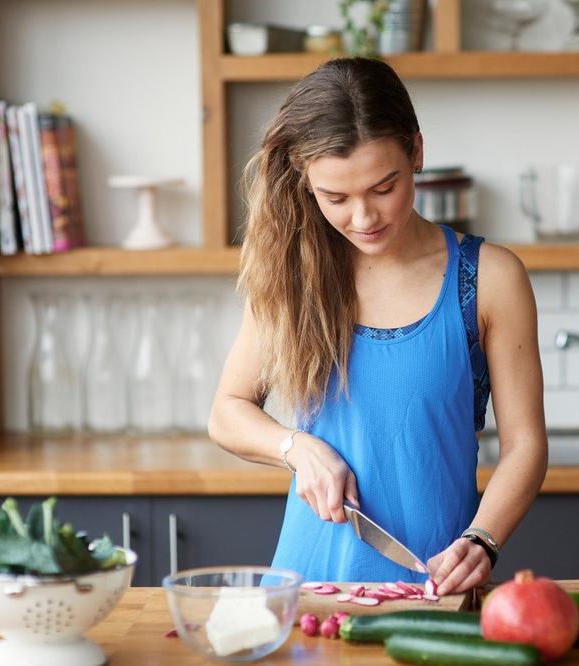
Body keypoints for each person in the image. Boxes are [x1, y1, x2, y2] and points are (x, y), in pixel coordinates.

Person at [208, 57, 547, 595]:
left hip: (436, 586)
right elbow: (227, 412)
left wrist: (483, 539)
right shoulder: (293, 275)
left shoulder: (489, 279)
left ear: (416, 151)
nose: (364, 219)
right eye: (335, 199)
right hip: (306, 588)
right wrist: (297, 448)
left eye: (383, 188)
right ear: (306, 182)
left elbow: (525, 443)